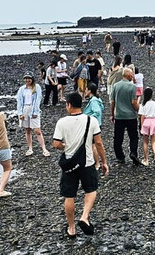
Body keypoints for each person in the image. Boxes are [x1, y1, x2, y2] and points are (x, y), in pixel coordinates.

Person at [53, 92, 110, 239]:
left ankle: (71, 228)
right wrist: (104, 162)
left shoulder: (62, 122)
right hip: (88, 163)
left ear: (69, 105)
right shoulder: (92, 121)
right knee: (91, 190)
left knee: (69, 195)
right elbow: (98, 143)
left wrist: (65, 146)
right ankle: (84, 216)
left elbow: (56, 144)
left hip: (70, 164)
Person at [110, 68, 141, 165]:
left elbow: (112, 102)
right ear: (127, 75)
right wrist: (139, 110)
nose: (132, 76)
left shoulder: (116, 86)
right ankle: (133, 153)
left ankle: (120, 156)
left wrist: (112, 114)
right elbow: (133, 102)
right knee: (133, 136)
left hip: (119, 116)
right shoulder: (132, 87)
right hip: (131, 116)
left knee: (118, 137)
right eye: (131, 74)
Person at [15, 74, 50, 157]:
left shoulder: (37, 87)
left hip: (33, 109)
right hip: (25, 109)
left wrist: (35, 112)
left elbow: (38, 100)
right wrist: (20, 113)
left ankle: (44, 149)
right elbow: (19, 101)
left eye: (29, 78)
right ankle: (30, 148)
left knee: (37, 130)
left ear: (32, 79)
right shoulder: (21, 89)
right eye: (26, 78)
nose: (27, 80)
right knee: (27, 130)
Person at [138, 88, 155, 169]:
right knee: (153, 141)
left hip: (146, 122)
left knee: (145, 142)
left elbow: (142, 116)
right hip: (153, 121)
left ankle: (146, 160)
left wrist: (141, 125)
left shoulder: (143, 104)